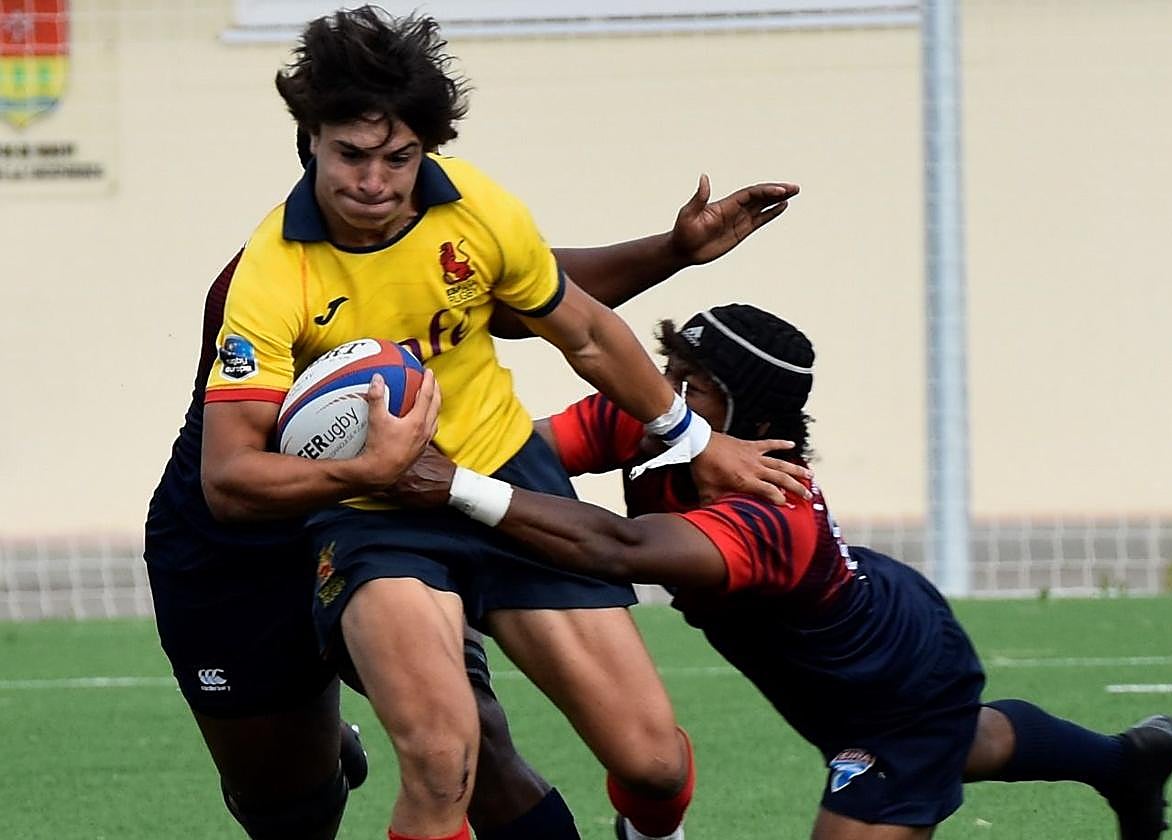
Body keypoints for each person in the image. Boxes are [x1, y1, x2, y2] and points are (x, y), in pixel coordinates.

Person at [146, 8, 805, 840]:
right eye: (352, 155)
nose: (377, 182)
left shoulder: (473, 206)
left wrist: (693, 435)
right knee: (380, 779)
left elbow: (563, 311)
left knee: (649, 761)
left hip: (490, 478)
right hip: (328, 524)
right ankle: (327, 751)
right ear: (309, 141)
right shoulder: (267, 278)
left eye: (400, 157)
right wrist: (369, 472)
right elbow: (231, 476)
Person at [394, 302, 1172, 840]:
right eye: (668, 370)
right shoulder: (656, 423)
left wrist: (454, 487)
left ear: (758, 423)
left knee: (926, 743)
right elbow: (525, 453)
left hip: (896, 691)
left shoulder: (775, 516)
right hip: (872, 655)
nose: (666, 395)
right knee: (962, 738)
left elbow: (618, 551)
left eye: (693, 387)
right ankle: (1126, 760)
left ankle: (1119, 762)